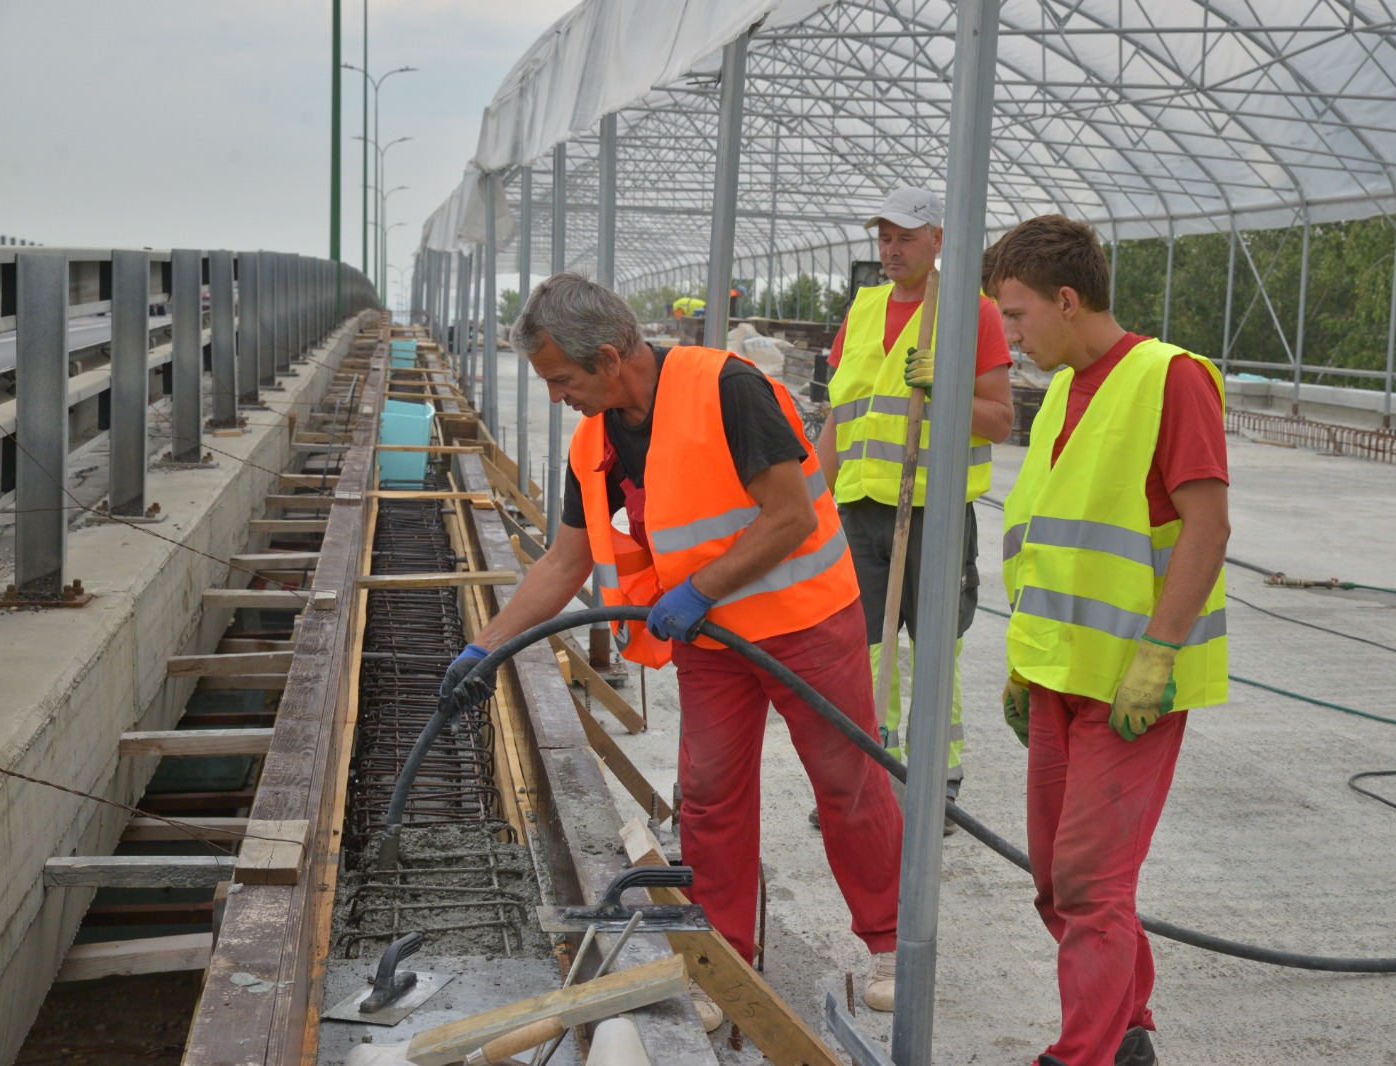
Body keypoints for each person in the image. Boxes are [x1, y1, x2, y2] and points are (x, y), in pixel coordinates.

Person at [445, 272, 904, 1030]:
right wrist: (486, 646)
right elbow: (565, 561)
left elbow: (789, 516)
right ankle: (722, 962)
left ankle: (889, 944)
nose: (559, 397)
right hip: (712, 638)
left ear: (608, 356)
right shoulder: (594, 440)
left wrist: (699, 587)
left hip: (803, 619)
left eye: (563, 380)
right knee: (710, 793)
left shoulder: (728, 388)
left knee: (846, 783)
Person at [988, 215, 1229, 1066]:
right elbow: (1047, 539)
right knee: (1058, 883)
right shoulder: (1060, 391)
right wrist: (1023, 667)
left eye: (1016, 315)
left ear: (1065, 298)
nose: (1008, 334)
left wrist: (1159, 653)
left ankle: (1081, 1054)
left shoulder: (1170, 379)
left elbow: (1206, 526)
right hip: (1058, 675)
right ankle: (1129, 1032)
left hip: (1132, 684)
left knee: (1092, 882)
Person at [814, 186, 1014, 832]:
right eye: (884, 237)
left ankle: (935, 786)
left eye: (904, 236)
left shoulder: (968, 313)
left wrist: (948, 387)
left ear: (937, 241)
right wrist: (817, 502)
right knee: (861, 650)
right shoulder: (864, 309)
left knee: (930, 651)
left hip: (934, 514)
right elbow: (837, 419)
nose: (891, 249)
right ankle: (870, 776)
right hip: (862, 511)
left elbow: (1002, 419)